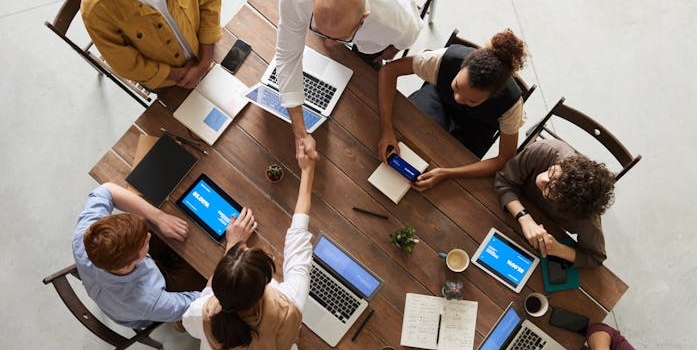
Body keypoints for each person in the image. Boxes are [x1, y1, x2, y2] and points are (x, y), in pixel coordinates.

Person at [183, 148, 316, 350]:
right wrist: (308, 171)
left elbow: (206, 295)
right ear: (265, 285)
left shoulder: (199, 312)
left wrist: (232, 246)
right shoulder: (288, 304)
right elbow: (298, 244)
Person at [378, 28, 528, 191]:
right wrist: (386, 128)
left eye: (471, 100)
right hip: (439, 99)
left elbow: (505, 158)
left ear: (492, 96)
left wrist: (447, 173)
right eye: (457, 86)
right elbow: (389, 71)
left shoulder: (510, 105)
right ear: (462, 66)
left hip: (479, 126)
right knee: (407, 135)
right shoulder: (444, 60)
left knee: (451, 171)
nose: (458, 98)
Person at [275, 0, 422, 161]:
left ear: (364, 17)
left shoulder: (397, 22)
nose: (328, 44)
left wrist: (393, 49)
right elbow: (287, 57)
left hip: (374, 42)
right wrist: (300, 133)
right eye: (320, 30)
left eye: (339, 38)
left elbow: (409, 37)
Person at [72, 182, 206, 329]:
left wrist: (159, 217)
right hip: (144, 309)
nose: (148, 235)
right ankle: (179, 324)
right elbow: (202, 305)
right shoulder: (147, 301)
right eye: (145, 241)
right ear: (132, 262)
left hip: (112, 293)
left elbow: (107, 189)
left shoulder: (86, 237)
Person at [494, 139, 616, 268]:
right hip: (505, 210)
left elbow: (595, 258)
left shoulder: (586, 216)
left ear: (566, 206)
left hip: (541, 240)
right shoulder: (546, 150)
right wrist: (525, 219)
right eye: (552, 173)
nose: (542, 179)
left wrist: (558, 249)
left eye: (550, 189)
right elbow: (504, 181)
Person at [81, 0, 223, 89]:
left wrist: (204, 62)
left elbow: (210, 4)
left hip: (208, 49)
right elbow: (127, 65)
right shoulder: (96, 10)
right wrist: (180, 75)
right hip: (170, 83)